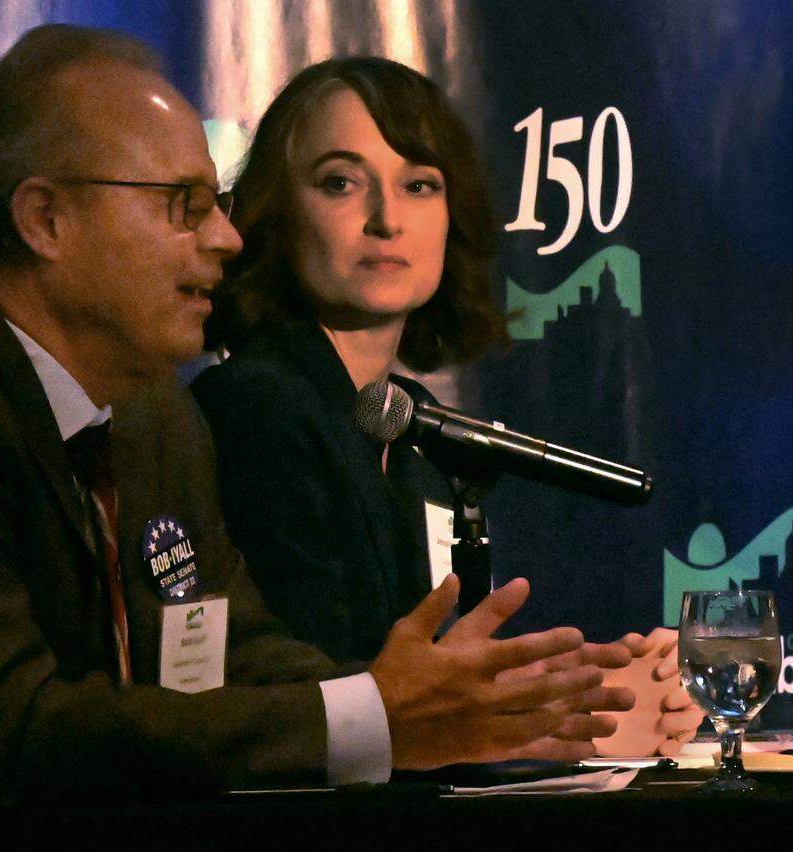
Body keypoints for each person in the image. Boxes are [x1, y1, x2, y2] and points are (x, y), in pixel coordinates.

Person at [0, 28, 633, 849]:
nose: (225, 238)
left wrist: (474, 708)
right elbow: (17, 734)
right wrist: (374, 716)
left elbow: (236, 657)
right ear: (44, 218)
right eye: (183, 206)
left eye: (217, 203)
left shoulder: (152, 418)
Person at [192, 57, 702, 758]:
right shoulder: (255, 404)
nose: (387, 219)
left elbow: (430, 679)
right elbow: (314, 701)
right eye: (340, 183)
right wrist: (567, 732)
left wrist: (598, 688)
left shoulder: (414, 422)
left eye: (420, 185)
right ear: (274, 212)